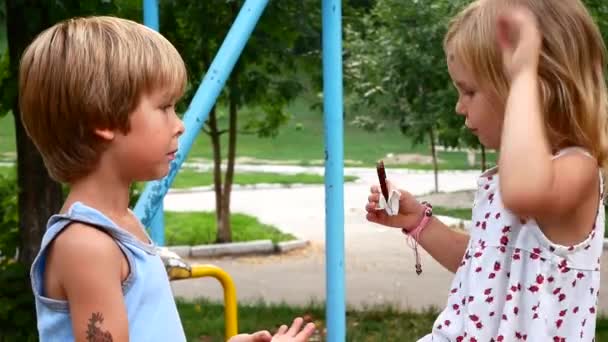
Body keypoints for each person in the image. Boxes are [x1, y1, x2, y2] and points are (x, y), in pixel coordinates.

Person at [20, 16, 315, 342]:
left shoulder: (121, 225)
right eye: (165, 108)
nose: (179, 125)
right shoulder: (88, 246)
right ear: (103, 121)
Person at [366, 0, 607, 340]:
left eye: (469, 91)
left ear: (535, 88)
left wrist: (523, 73)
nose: (459, 107)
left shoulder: (577, 171)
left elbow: (525, 192)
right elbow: (484, 265)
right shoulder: (503, 180)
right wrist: (420, 222)